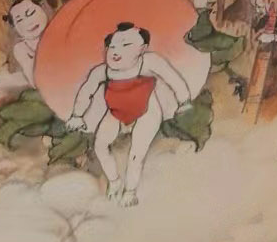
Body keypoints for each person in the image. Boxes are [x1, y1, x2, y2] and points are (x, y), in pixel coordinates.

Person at [66, 23, 192, 205]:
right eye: (112, 46)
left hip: (147, 111)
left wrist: (184, 100)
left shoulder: (150, 62)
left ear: (142, 49)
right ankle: (114, 181)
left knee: (136, 153)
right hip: (115, 112)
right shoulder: (102, 71)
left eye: (126, 45)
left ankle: (130, 191)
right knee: (100, 146)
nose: (116, 51)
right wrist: (77, 115)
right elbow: (87, 91)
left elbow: (171, 77)